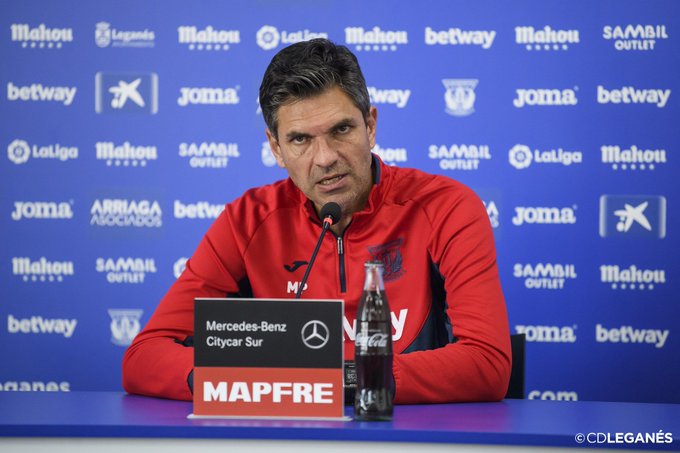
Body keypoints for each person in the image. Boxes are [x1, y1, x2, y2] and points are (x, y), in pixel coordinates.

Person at [122, 38, 511, 404]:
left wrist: (334, 380)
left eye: (341, 130)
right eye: (300, 140)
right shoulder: (247, 220)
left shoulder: (446, 207)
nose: (325, 157)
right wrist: (232, 382)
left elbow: (487, 363)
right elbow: (143, 358)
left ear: (370, 126)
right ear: (276, 148)